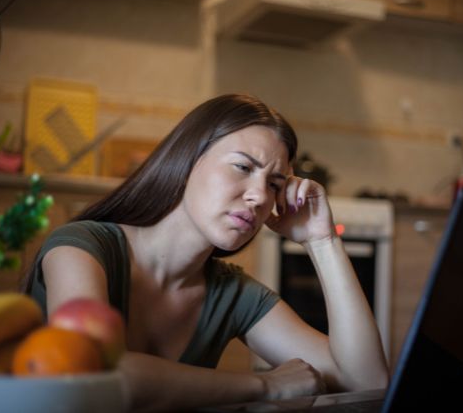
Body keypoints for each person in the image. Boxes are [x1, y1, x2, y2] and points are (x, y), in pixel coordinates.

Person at [22, 93, 389, 411]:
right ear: (187, 159)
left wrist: (322, 241)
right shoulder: (80, 249)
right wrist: (266, 385)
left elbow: (366, 384)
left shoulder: (234, 294)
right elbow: (97, 381)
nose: (260, 196)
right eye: (243, 167)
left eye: (274, 184)